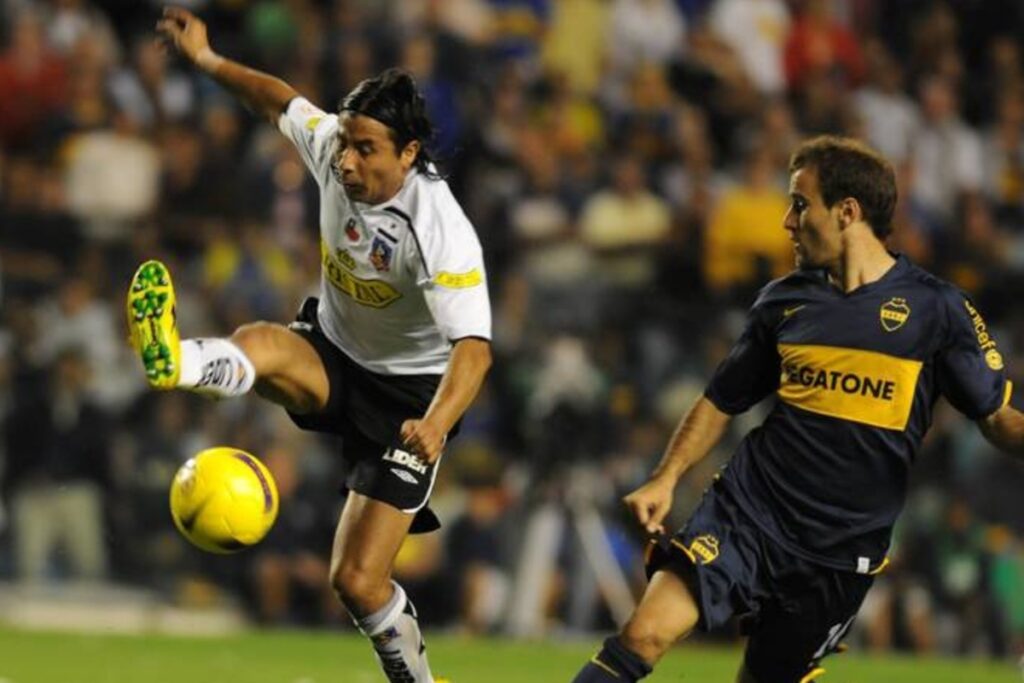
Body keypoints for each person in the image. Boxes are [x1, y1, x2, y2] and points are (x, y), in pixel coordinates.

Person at [570, 135, 1024, 683]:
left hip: (839, 554)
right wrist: (666, 478)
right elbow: (721, 400)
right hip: (749, 512)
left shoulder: (938, 310)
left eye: (800, 203)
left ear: (848, 212)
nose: (787, 220)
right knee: (643, 634)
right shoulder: (784, 301)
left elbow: (998, 420)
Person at [135, 8, 493, 682]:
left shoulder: (440, 227)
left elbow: (474, 348)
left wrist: (438, 423)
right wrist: (209, 61)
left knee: (356, 581)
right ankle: (175, 360)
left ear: (409, 154)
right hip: (334, 351)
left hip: (410, 399)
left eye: (367, 150)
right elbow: (276, 98)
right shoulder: (333, 144)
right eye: (346, 144)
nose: (348, 161)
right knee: (265, 342)